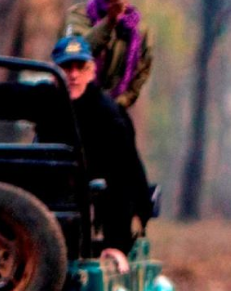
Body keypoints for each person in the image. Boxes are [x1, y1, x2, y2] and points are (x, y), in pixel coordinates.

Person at [49, 35, 153, 252]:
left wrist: (117, 244)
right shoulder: (46, 99)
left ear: (91, 71)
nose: (74, 75)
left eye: (80, 67)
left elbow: (126, 177)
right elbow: (7, 97)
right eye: (66, 68)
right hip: (51, 209)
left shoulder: (109, 114)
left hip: (102, 203)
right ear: (55, 73)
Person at [63, 0, 152, 110]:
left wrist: (111, 108)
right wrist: (110, 21)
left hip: (112, 115)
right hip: (73, 108)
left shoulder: (139, 30)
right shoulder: (79, 16)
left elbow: (139, 77)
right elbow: (75, 53)